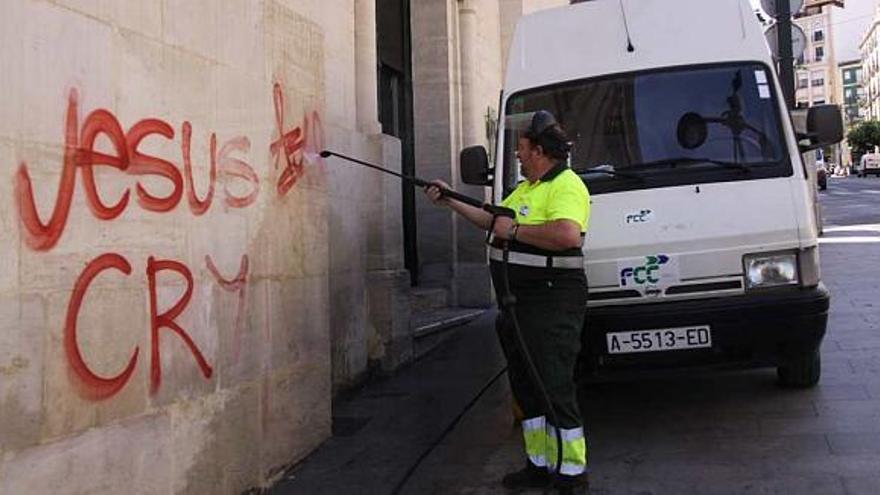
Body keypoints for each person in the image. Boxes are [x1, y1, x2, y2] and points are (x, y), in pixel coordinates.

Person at [424, 110, 591, 492]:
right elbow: (491, 220)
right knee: (526, 385)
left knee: (552, 382)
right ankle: (538, 463)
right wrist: (449, 198)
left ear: (538, 149)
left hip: (551, 300)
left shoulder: (565, 185)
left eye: (520, 147)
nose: (516, 154)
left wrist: (514, 229)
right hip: (518, 304)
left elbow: (568, 235)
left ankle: (571, 473)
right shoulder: (528, 188)